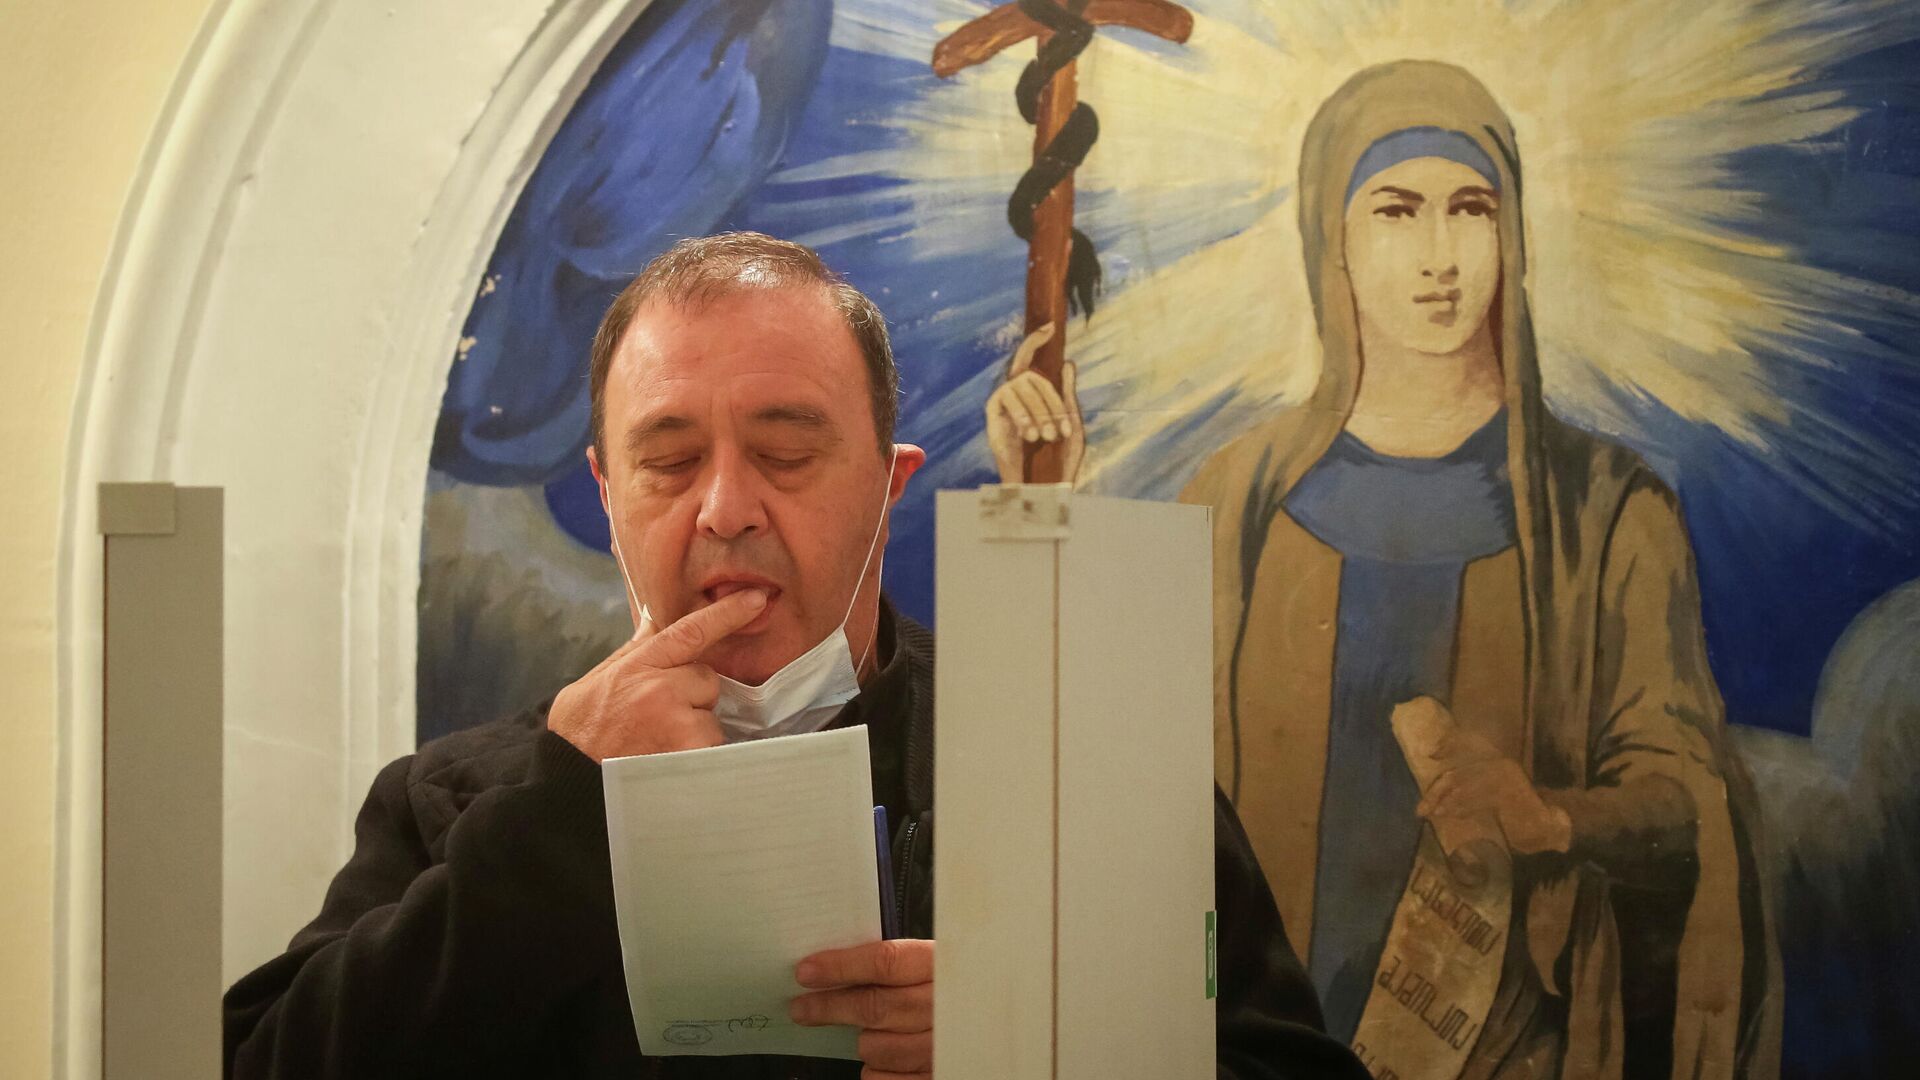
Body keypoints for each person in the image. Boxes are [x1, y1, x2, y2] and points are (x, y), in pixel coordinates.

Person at [224, 232, 1367, 1080]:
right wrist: (557, 816)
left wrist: (1042, 1050)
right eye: (669, 462)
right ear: (608, 495)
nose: (726, 508)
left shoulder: (1092, 773)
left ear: (889, 485)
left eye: (784, 452)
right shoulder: (459, 800)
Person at [988, 62, 1779, 1080]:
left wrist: (1550, 816)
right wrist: (1040, 510)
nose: (1440, 256)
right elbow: (1121, 765)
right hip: (1267, 1046)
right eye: (1397, 211)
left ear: (1513, 236)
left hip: (1513, 1047)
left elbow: (1687, 800)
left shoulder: (1607, 515)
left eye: (1472, 210)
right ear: (1335, 241)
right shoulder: (1237, 499)